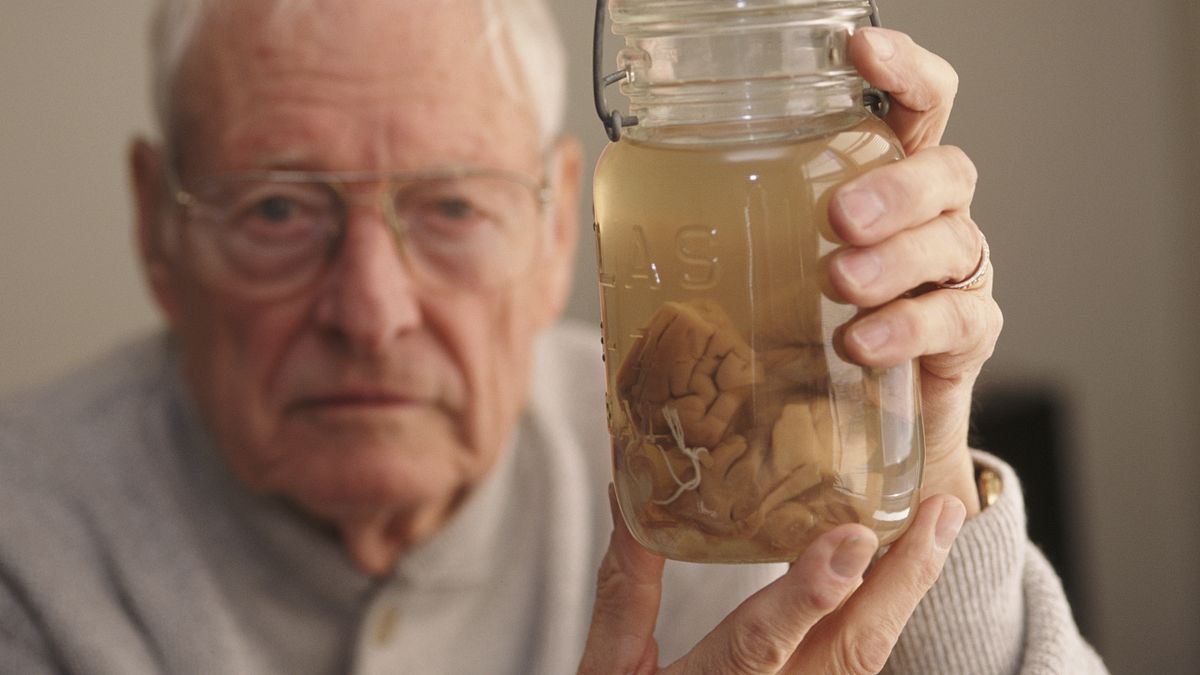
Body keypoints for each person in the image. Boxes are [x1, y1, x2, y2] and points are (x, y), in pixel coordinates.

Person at [0, 1, 1106, 673]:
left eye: (452, 207)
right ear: (158, 226)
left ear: (557, 223)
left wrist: (925, 458)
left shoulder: (732, 465)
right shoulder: (26, 542)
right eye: (279, 210)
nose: (372, 312)